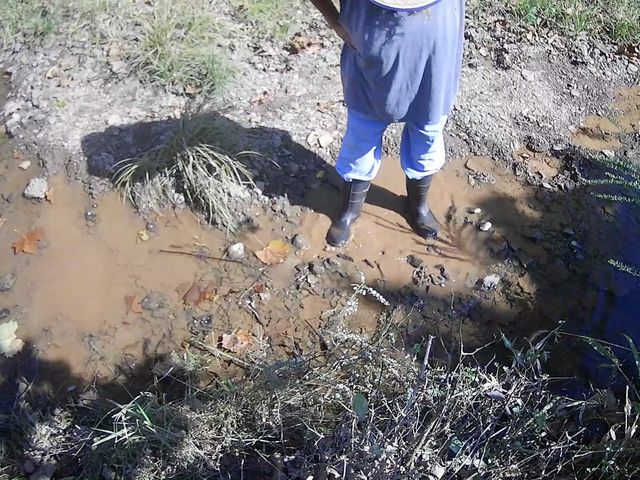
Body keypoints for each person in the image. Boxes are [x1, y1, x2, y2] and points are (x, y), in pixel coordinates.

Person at [309, 0, 465, 247]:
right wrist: (333, 20)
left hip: (435, 61)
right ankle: (350, 210)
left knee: (427, 134)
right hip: (370, 62)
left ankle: (418, 206)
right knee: (361, 136)